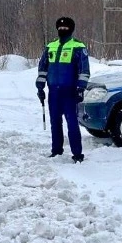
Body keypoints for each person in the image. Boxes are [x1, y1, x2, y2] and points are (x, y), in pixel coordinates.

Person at [35, 16, 91, 163]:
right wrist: (40, 87)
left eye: (65, 27)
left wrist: (80, 88)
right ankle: (56, 150)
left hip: (70, 92)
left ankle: (77, 154)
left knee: (72, 123)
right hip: (53, 92)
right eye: (60, 27)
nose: (62, 29)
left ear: (71, 29)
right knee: (55, 122)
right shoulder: (50, 46)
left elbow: (84, 70)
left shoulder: (78, 46)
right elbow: (42, 69)